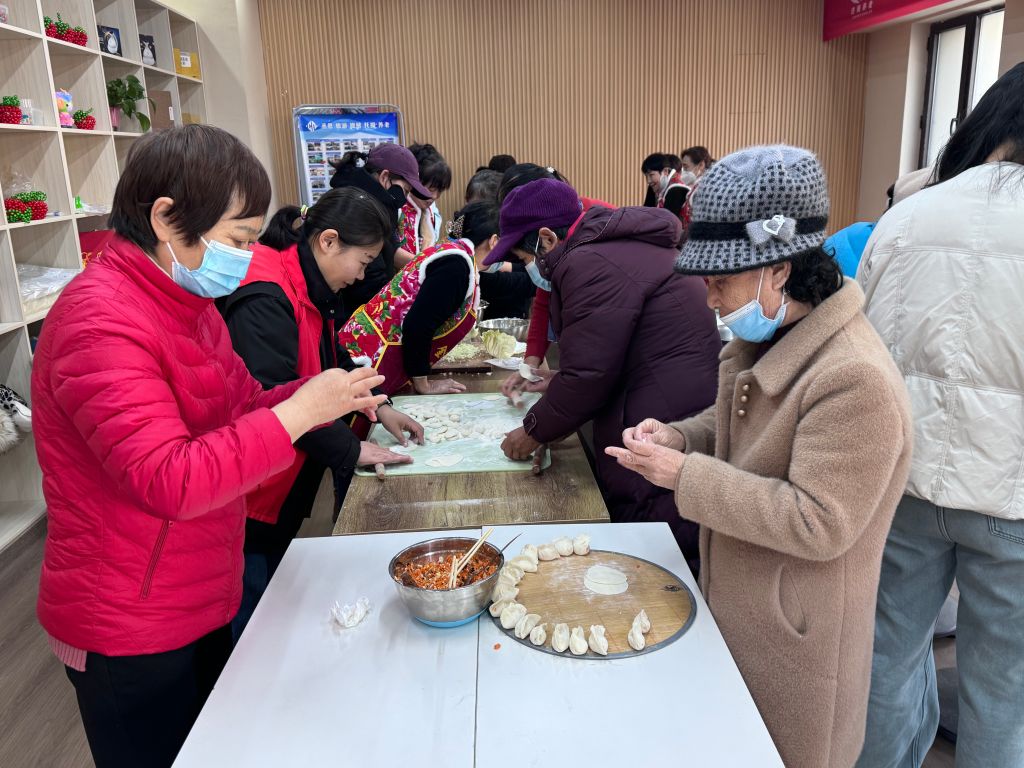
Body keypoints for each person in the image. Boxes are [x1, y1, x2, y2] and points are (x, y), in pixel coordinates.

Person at [32, 125, 387, 768]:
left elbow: (243, 403)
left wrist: (320, 395)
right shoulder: (99, 319)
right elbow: (169, 479)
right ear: (166, 218)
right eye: (238, 239)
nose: (247, 257)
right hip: (129, 621)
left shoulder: (185, 304)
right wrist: (300, 413)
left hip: (198, 592)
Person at [607, 145, 913, 767]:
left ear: (778, 270)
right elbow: (742, 430)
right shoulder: (771, 336)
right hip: (744, 610)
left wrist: (684, 475)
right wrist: (679, 439)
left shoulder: (855, 379)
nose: (710, 299)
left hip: (798, 642)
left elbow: (817, 521)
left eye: (720, 282)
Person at [856, 63, 1024, 768]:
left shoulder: (908, 216)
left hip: (906, 484)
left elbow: (859, 348)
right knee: (1004, 691)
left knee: (884, 659)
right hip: (1014, 500)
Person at [221, 187, 423, 640]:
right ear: (328, 241)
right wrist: (351, 450)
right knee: (254, 617)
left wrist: (379, 404)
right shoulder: (267, 295)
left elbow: (332, 361)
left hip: (285, 476)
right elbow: (276, 399)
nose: (362, 274)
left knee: (276, 596)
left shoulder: (309, 283)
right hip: (253, 492)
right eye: (363, 261)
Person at [487, 178, 720, 567]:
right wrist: (559, 384)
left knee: (657, 526)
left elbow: (589, 376)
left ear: (546, 238)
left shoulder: (588, 262)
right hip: (670, 387)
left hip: (665, 404)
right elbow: (605, 354)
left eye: (525, 259)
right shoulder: (604, 247)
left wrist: (533, 430)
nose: (530, 269)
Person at [338, 203, 498, 395]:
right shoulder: (457, 265)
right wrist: (423, 384)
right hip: (367, 359)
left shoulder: (454, 255)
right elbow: (418, 325)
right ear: (494, 241)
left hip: (364, 353)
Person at [494, 163, 613, 381]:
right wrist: (530, 364)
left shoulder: (590, 241)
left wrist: (561, 384)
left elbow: (594, 362)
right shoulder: (557, 245)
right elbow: (544, 297)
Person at [329, 144, 433, 307]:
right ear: (384, 177)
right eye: (405, 191)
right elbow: (371, 281)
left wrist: (430, 264)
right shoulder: (360, 210)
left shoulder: (375, 202)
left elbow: (390, 248)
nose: (405, 199)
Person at [398, 143, 451, 253]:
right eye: (431, 189)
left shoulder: (432, 212)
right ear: (413, 182)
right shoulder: (397, 208)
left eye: (440, 191)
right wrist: (422, 261)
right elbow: (392, 252)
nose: (435, 196)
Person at [641, 152, 690, 220]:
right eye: (646, 176)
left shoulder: (676, 189)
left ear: (665, 171)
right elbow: (646, 214)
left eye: (651, 175)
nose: (648, 181)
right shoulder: (658, 187)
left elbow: (667, 222)